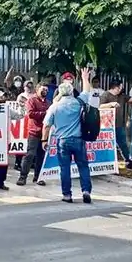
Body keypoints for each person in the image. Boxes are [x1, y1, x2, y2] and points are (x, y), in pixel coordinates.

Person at [42, 68, 94, 204]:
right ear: (71, 91)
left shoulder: (55, 106)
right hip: (78, 140)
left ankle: (67, 195)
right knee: (83, 166)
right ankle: (86, 191)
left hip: (62, 141)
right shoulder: (78, 102)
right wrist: (84, 78)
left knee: (65, 168)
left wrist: (43, 140)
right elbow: (87, 91)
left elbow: (46, 125)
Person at [97, 80, 132, 169]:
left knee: (123, 143)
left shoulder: (121, 96)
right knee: (107, 144)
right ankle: (105, 162)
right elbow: (100, 106)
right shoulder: (105, 95)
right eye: (120, 87)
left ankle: (128, 160)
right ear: (116, 87)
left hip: (119, 124)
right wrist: (111, 104)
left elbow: (131, 99)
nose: (122, 88)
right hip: (108, 126)